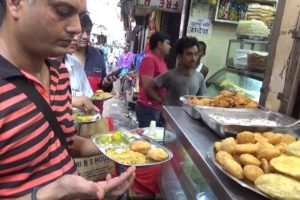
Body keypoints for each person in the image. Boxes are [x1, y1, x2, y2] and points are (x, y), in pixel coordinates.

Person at [0, 0, 135, 199]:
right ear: (15, 4)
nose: (77, 29)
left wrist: (121, 142)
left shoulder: (59, 72)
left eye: (79, 17)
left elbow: (64, 143)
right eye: (62, 11)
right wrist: (53, 193)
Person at [154, 36, 207, 106]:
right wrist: (160, 100)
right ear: (179, 57)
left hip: (189, 116)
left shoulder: (200, 77)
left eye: (196, 54)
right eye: (189, 54)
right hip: (169, 116)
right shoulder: (170, 75)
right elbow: (150, 87)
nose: (193, 58)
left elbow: (202, 100)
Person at [136, 31, 171, 128]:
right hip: (148, 107)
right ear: (160, 44)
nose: (170, 47)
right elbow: (148, 87)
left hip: (155, 107)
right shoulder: (149, 59)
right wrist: (161, 100)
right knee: (147, 140)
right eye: (168, 43)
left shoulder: (162, 61)